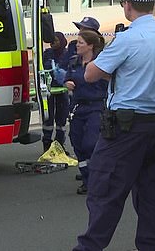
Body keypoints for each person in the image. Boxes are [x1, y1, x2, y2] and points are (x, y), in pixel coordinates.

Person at [73, 0, 155, 251]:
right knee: (150, 192)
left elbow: (91, 74)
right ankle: (153, 246)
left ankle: (89, 248)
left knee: (104, 190)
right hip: (153, 125)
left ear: (127, 5)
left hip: (123, 129)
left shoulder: (127, 39)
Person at [64, 30, 107, 195]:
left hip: (95, 107)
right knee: (77, 143)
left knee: (90, 143)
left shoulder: (100, 63)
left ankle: (99, 178)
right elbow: (67, 77)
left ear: (90, 46)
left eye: (81, 42)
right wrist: (67, 82)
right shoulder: (74, 62)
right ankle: (87, 180)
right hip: (77, 107)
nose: (77, 45)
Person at [42, 31, 70, 152]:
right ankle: (47, 145)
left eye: (56, 40)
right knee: (48, 118)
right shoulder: (47, 54)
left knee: (61, 118)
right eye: (52, 40)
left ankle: (59, 145)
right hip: (49, 91)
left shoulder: (67, 54)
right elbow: (43, 68)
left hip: (63, 91)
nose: (53, 43)